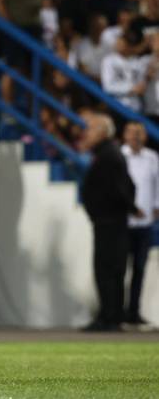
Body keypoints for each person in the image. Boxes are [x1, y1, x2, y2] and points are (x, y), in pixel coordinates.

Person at [80, 113, 138, 332]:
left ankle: (110, 317)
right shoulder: (107, 153)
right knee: (109, 269)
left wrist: (125, 208)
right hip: (108, 221)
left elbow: (122, 187)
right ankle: (109, 315)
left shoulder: (109, 155)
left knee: (108, 270)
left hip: (110, 222)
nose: (87, 133)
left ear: (103, 132)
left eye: (92, 128)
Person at [120, 122, 159, 326]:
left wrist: (156, 206)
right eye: (132, 133)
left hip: (144, 223)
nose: (135, 137)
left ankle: (133, 311)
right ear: (125, 135)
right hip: (124, 222)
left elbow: (157, 184)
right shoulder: (120, 156)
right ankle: (115, 311)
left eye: (139, 133)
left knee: (140, 269)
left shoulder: (152, 157)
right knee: (119, 269)